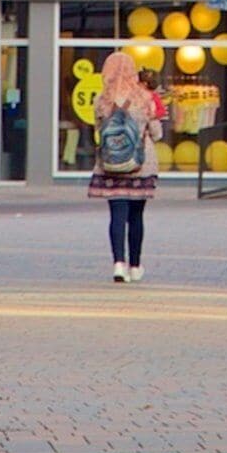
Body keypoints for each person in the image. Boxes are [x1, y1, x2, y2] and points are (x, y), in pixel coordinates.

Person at [89, 48, 165, 281]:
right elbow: (157, 133)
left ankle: (118, 264)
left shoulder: (101, 101)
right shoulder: (144, 99)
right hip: (140, 165)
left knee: (116, 215)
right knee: (136, 217)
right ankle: (135, 265)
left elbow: (99, 130)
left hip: (112, 163)